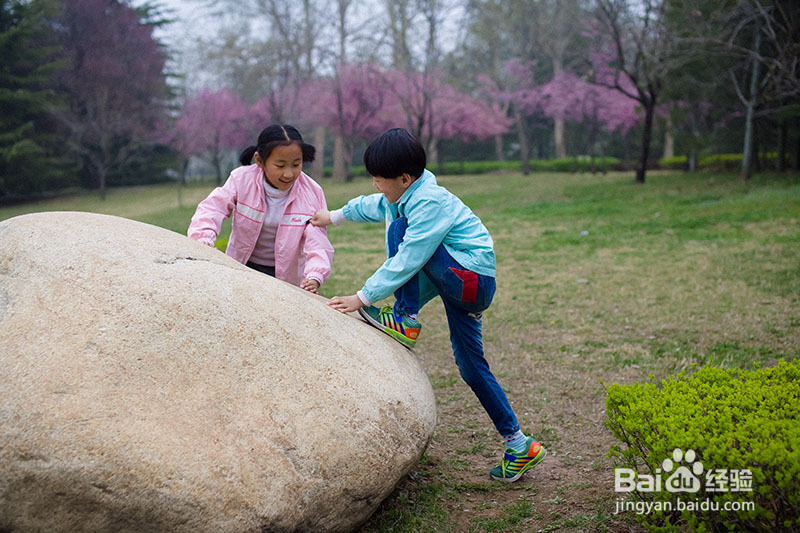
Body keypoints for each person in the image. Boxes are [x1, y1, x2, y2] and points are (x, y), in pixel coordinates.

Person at [310, 128, 546, 482]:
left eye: (379, 179)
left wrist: (362, 297)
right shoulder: (405, 193)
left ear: (404, 178)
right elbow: (372, 204)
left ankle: (406, 318)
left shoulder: (428, 203)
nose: (375, 184)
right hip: (458, 280)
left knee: (401, 231)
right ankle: (518, 443)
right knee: (470, 367)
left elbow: (410, 257)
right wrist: (333, 217)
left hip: (470, 280)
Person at [188, 124, 333, 292]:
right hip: (242, 266)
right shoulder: (241, 179)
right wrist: (203, 238)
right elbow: (213, 208)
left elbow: (317, 241)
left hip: (285, 277)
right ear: (259, 161)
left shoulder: (312, 193)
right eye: (280, 166)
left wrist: (315, 275)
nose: (288, 174)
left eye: (296, 164)